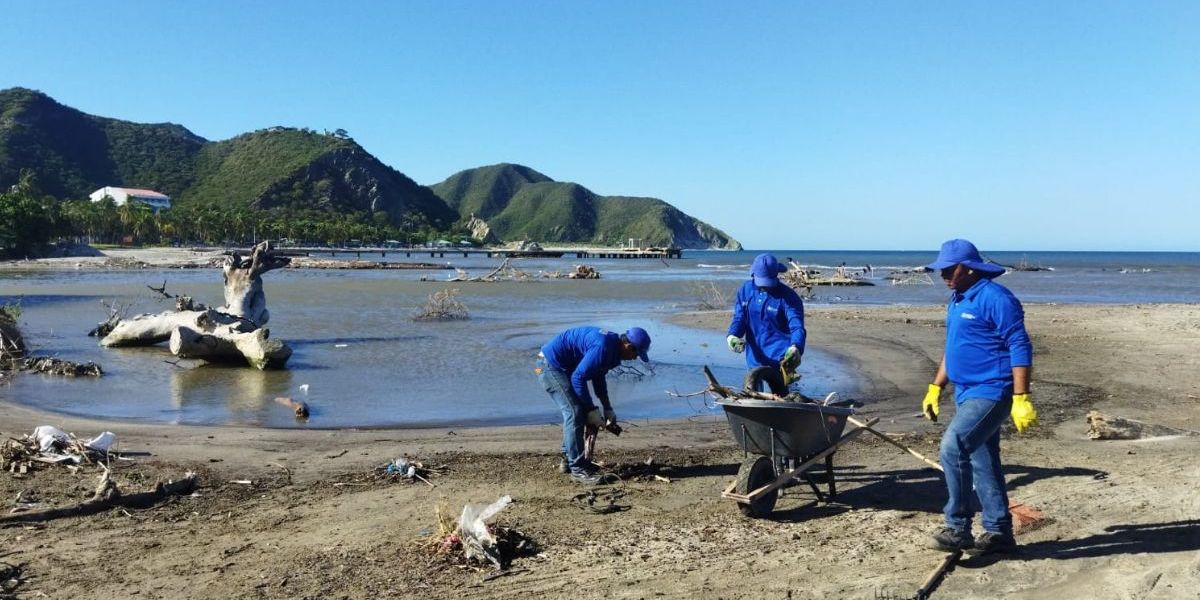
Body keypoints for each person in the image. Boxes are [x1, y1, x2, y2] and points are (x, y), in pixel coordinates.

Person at [922, 239, 1038, 555]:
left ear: (970, 268)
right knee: (983, 460)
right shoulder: (957, 299)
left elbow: (1020, 345)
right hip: (965, 391)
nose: (943, 274)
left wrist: (1020, 396)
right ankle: (999, 532)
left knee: (953, 447)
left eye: (949, 268)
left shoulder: (996, 298)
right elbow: (952, 348)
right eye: (940, 269)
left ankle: (958, 527)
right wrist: (936, 387)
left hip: (993, 390)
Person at [536, 326, 652, 485]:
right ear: (628, 346)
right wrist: (591, 409)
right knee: (575, 412)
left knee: (580, 411)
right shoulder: (603, 347)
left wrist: (607, 408)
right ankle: (577, 469)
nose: (635, 358)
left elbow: (598, 377)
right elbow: (578, 378)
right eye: (636, 354)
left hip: (563, 369)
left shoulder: (613, 350)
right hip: (547, 366)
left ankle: (568, 459)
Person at [726, 253, 806, 395]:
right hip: (755, 357)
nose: (765, 286)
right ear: (753, 275)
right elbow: (740, 318)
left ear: (776, 275)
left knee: (784, 399)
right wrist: (732, 336)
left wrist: (796, 346)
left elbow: (797, 325)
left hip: (781, 359)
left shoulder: (788, 298)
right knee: (754, 396)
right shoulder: (745, 291)